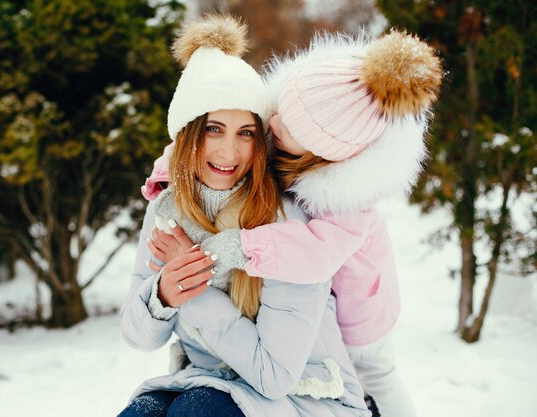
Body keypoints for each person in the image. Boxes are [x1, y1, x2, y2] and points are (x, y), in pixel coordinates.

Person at [147, 30, 443, 417]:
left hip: (360, 304)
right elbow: (198, 145)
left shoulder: (349, 205)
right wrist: (169, 172)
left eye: (290, 128)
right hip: (316, 303)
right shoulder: (279, 128)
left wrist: (239, 246)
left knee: (376, 375)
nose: (274, 123)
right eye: (281, 110)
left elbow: (312, 251)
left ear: (322, 154)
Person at [118, 14, 371, 417]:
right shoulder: (167, 208)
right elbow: (138, 337)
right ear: (187, 135)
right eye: (213, 129)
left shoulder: (286, 224)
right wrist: (164, 292)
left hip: (309, 397)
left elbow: (273, 376)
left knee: (197, 411)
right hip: (208, 382)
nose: (229, 153)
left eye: (246, 133)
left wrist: (194, 286)